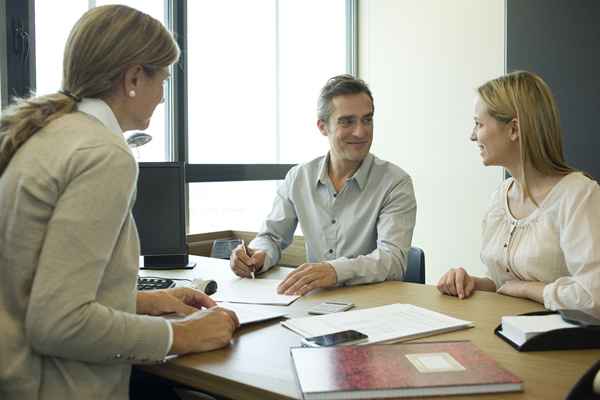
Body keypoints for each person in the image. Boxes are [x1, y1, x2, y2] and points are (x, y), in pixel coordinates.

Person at [0, 6, 238, 400]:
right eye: (163, 78)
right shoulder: (103, 153)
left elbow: (32, 288)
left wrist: (141, 301)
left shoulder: (48, 135)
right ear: (132, 78)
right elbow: (59, 323)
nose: (163, 97)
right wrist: (182, 334)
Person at [230, 74, 417, 296]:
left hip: (373, 305)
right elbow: (271, 237)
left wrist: (335, 270)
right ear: (322, 126)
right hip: (315, 302)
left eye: (367, 120)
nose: (361, 131)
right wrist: (257, 255)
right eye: (347, 121)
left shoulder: (395, 182)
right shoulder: (298, 178)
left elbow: (392, 260)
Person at [437, 71, 600, 312]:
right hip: (506, 333)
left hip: (559, 345)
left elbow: (593, 296)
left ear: (513, 129)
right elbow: (503, 285)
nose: (472, 136)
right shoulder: (501, 197)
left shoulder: (579, 195)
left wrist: (528, 289)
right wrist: (472, 283)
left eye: (479, 124)